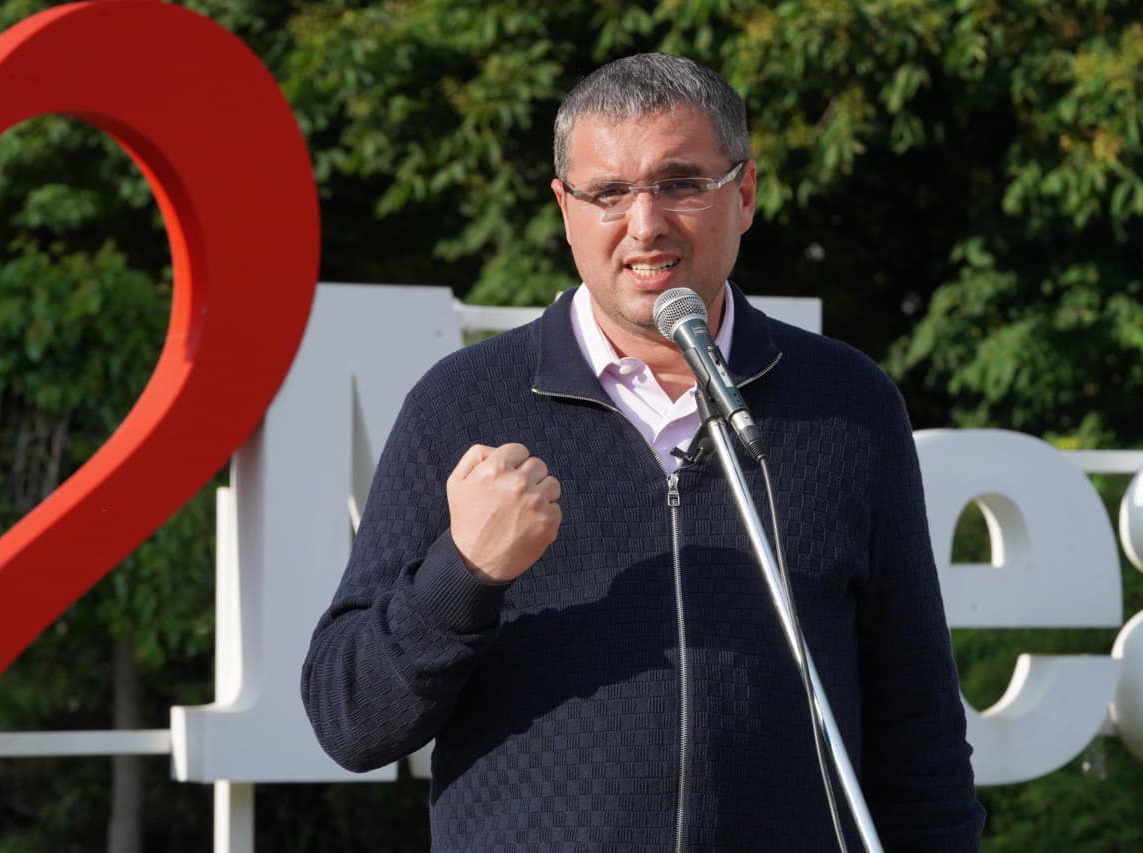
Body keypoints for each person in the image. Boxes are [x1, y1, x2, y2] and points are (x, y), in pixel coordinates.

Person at [302, 53, 984, 851]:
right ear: (566, 210)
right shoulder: (462, 406)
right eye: (608, 193)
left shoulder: (848, 405)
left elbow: (919, 732)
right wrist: (465, 572)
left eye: (681, 183)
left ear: (745, 194)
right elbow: (350, 719)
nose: (645, 222)